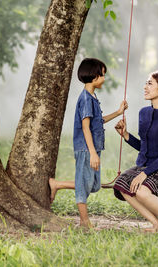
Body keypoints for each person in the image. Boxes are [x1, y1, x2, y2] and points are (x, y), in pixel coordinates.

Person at [49, 58, 128, 229]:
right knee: (84, 187)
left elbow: (97, 122)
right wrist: (92, 152)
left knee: (94, 185)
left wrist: (118, 112)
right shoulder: (85, 99)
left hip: (94, 147)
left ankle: (58, 184)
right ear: (94, 77)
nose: (104, 79)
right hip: (86, 149)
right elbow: (85, 128)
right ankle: (85, 222)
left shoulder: (93, 97)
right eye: (103, 75)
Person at [113, 70, 158, 233]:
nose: (145, 87)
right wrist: (125, 135)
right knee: (121, 185)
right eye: (146, 83)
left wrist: (144, 174)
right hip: (145, 166)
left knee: (142, 192)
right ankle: (156, 224)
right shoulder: (143, 113)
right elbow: (144, 146)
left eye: (150, 83)